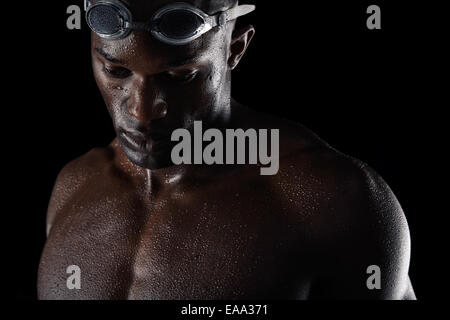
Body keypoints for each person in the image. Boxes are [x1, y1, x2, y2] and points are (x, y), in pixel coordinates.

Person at [38, 0, 416, 299]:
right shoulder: (75, 185)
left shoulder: (332, 200)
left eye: (179, 76)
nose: (142, 109)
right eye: (115, 71)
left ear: (236, 47)